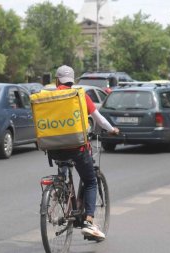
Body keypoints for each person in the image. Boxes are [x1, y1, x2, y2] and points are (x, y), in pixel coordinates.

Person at [48, 65, 119, 240]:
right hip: (77, 148)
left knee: (63, 161)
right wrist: (111, 130)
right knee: (90, 181)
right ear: (73, 81)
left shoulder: (49, 97)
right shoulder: (80, 96)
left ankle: (61, 190)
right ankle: (88, 221)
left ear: (57, 80)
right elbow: (99, 119)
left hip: (54, 149)